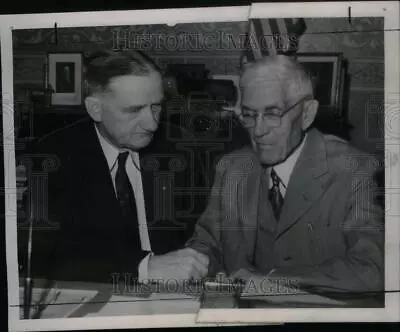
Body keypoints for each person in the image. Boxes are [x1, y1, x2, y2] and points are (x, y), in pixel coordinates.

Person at [184, 55, 384, 295]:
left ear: (307, 113)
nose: (258, 131)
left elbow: (373, 270)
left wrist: (270, 280)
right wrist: (189, 266)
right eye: (249, 115)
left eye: (272, 114)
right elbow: (206, 246)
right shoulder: (231, 168)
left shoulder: (355, 171)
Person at [18, 50, 209, 284]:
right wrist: (143, 268)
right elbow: (44, 256)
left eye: (156, 107)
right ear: (95, 109)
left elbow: (204, 231)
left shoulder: (180, 145)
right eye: (134, 110)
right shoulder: (54, 156)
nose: (151, 123)